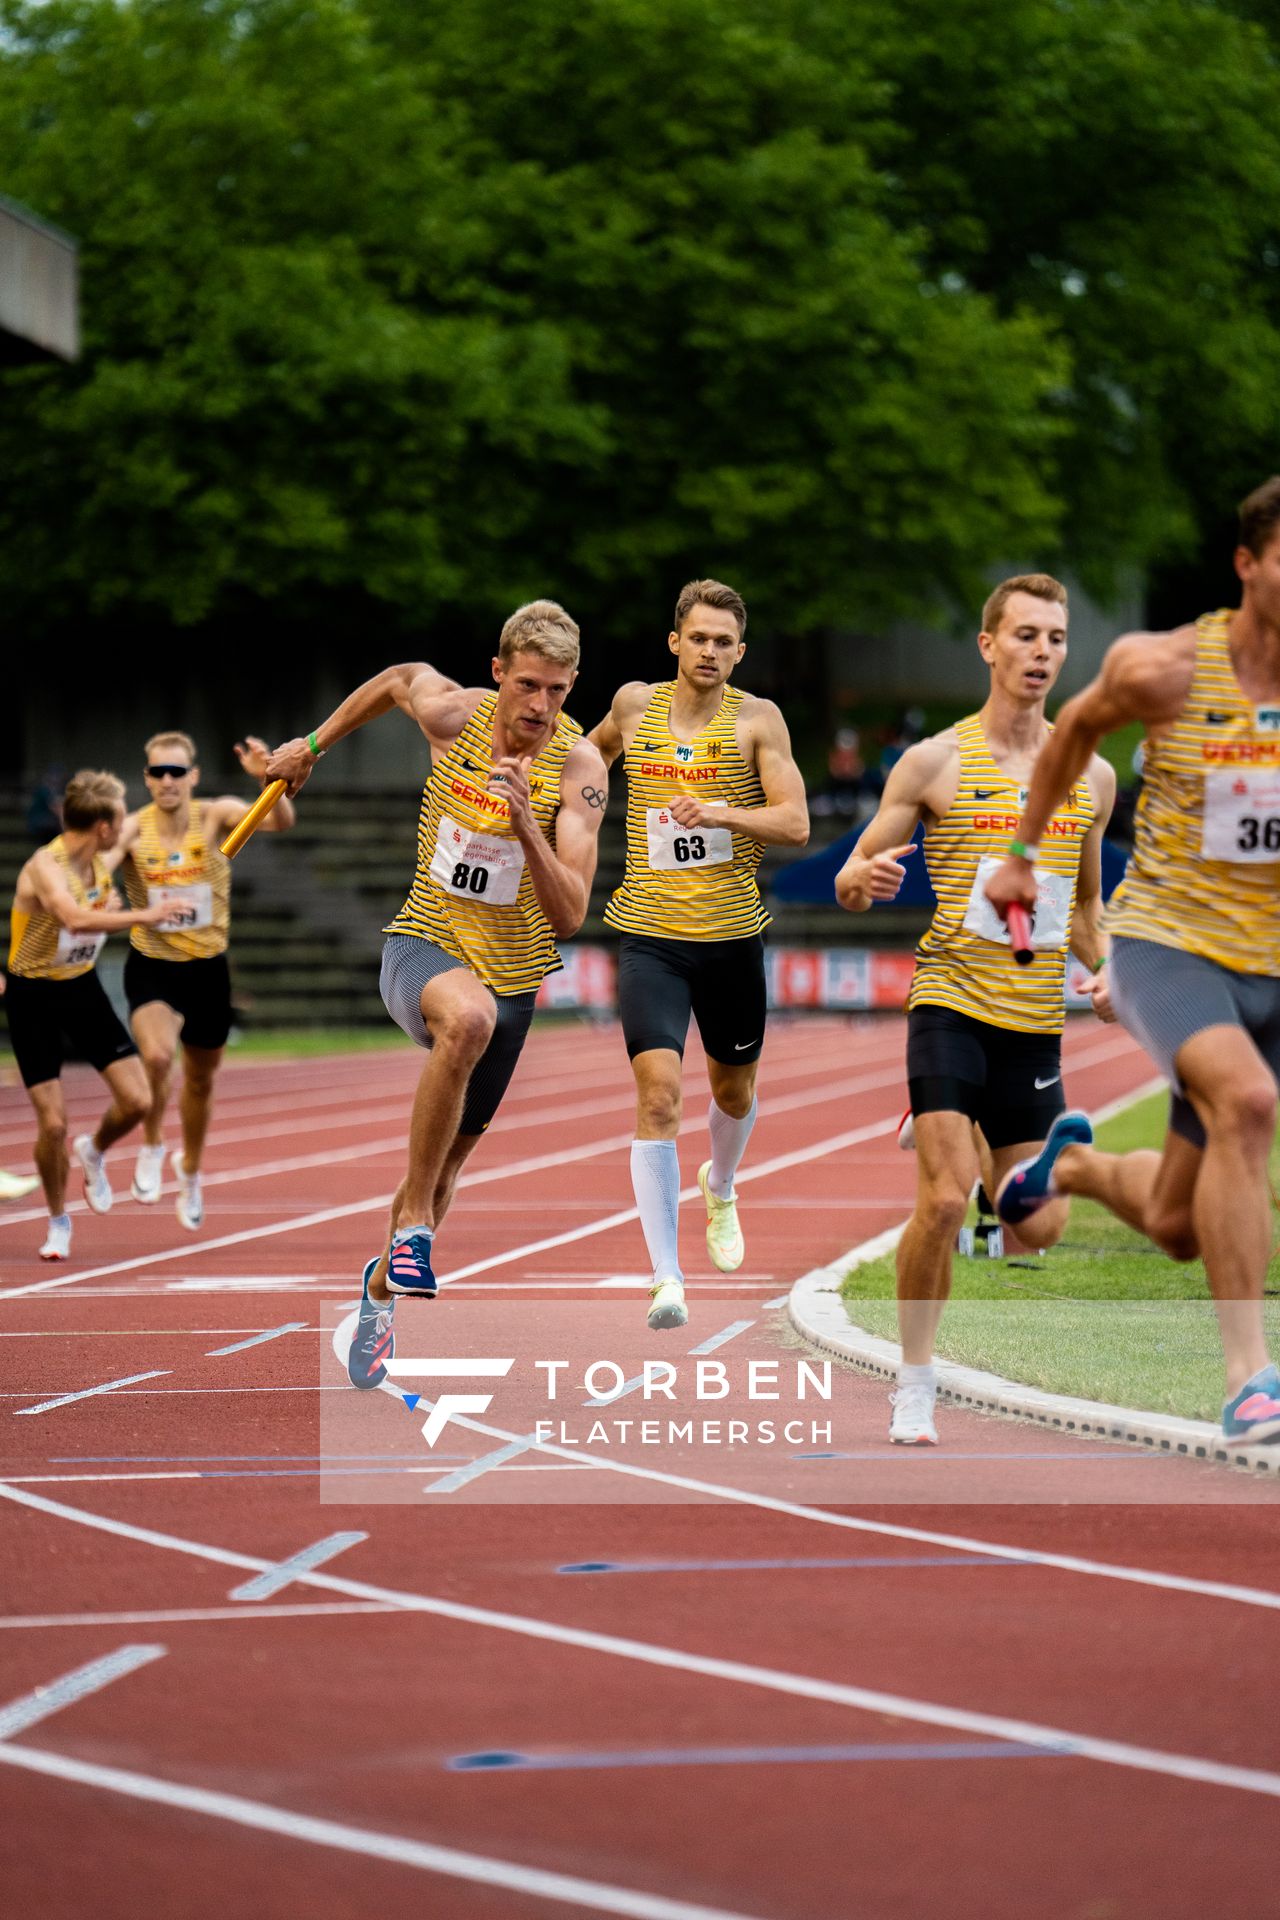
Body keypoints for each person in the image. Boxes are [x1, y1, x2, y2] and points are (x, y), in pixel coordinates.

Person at [986, 479, 1280, 1447]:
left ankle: (1067, 1166)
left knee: (1171, 1225)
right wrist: (1022, 858)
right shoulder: (1159, 667)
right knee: (1245, 1103)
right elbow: (1072, 733)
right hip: (1170, 943)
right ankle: (1249, 1378)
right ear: (1245, 565)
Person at [265, 599, 607, 1387]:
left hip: (515, 974)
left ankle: (381, 1290)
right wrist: (312, 746)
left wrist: (526, 822)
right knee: (467, 1018)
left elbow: (572, 914)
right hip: (423, 943)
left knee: (450, 1163)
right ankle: (413, 1223)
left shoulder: (580, 770)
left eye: (558, 690)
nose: (540, 707)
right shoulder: (453, 716)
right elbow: (394, 680)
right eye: (528, 686)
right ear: (498, 673)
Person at [835, 574, 1115, 1445]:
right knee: (949, 1202)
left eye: (1056, 638)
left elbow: (1088, 914)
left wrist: (1109, 975)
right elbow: (852, 873)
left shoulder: (1094, 775)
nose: (1042, 652)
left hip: (1034, 1023)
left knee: (1037, 1229)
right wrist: (863, 881)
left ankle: (945, 1124)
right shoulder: (935, 764)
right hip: (949, 1004)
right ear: (989, 646)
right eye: (1025, 635)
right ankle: (914, 1384)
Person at [588, 579, 809, 1331]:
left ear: (739, 652)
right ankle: (666, 1278)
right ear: (674, 642)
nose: (710, 651)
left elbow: (796, 822)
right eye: (699, 637)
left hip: (731, 939)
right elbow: (586, 765)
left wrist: (718, 809)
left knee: (734, 1093)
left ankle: (722, 1183)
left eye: (725, 642)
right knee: (657, 1096)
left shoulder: (758, 721)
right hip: (649, 934)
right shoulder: (631, 706)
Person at [114, 731, 296, 1231]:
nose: (167, 780)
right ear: (146, 778)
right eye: (158, 772)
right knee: (155, 1056)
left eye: (177, 771)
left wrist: (267, 779)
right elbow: (99, 862)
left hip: (208, 967)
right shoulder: (131, 829)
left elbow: (281, 820)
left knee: (199, 1080)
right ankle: (152, 1143)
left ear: (192, 776)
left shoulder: (215, 814)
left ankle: (189, 1168)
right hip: (153, 962)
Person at [6, 771, 170, 1259]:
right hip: (32, 993)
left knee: (138, 1102)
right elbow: (74, 918)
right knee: (52, 1124)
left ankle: (94, 1149)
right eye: (120, 818)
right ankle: (58, 1221)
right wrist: (143, 916)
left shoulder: (101, 859)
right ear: (101, 826)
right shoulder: (45, 866)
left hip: (80, 986)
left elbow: (96, 906)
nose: (124, 826)